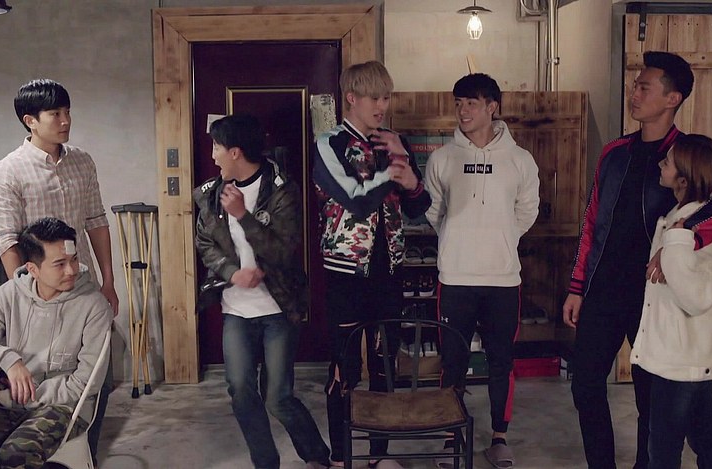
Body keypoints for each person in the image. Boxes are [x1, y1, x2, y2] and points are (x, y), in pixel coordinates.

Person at [562, 51, 712, 469]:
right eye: (635, 85)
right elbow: (592, 222)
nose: (635, 93)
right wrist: (577, 286)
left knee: (651, 400)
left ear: (672, 98)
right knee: (585, 386)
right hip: (603, 290)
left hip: (652, 297)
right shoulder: (614, 153)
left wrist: (683, 234)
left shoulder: (685, 158)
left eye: (644, 87)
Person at [0, 78, 118, 459]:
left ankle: (85, 455)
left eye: (67, 112)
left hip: (83, 285)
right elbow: (7, 240)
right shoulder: (8, 172)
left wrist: (109, 281)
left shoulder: (82, 161)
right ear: (30, 120)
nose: (65, 120)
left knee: (97, 378)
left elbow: (96, 220)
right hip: (38, 292)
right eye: (55, 114)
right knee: (42, 374)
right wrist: (24, 295)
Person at [194, 114, 331, 469]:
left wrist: (243, 215)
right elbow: (205, 244)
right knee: (241, 391)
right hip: (236, 310)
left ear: (235, 152)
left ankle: (318, 457)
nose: (213, 155)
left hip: (278, 308)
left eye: (217, 147)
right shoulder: (212, 195)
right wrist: (231, 273)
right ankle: (266, 463)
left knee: (278, 398)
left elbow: (283, 251)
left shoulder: (282, 190)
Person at [312, 60, 431, 468]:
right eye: (375, 98)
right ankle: (341, 456)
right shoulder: (329, 144)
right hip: (346, 274)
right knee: (344, 368)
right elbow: (355, 200)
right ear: (352, 98)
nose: (382, 106)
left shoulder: (394, 142)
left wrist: (411, 179)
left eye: (386, 97)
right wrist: (395, 168)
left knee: (386, 367)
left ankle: (380, 455)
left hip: (389, 271)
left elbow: (418, 207)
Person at [424, 73, 540, 468]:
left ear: (492, 107)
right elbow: (434, 211)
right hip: (455, 278)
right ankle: (449, 436)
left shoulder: (520, 160)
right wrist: (458, 239)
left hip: (502, 280)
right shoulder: (442, 158)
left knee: (501, 361)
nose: (463, 111)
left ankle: (499, 437)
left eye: (471, 103)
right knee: (452, 362)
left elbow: (527, 211)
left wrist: (500, 237)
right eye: (458, 103)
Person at [0, 217, 112, 469]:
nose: (71, 270)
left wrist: (18, 397)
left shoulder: (94, 306)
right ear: (33, 269)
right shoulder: (10, 294)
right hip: (9, 399)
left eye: (73, 260)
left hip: (64, 406)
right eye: (59, 264)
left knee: (15, 455)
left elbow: (85, 385)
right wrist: (8, 359)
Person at [631, 134, 712, 469]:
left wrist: (674, 245)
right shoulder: (684, 216)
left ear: (683, 179)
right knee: (704, 439)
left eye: (668, 162)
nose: (660, 164)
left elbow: (698, 297)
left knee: (663, 451)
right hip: (684, 355)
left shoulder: (694, 227)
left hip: (682, 362)